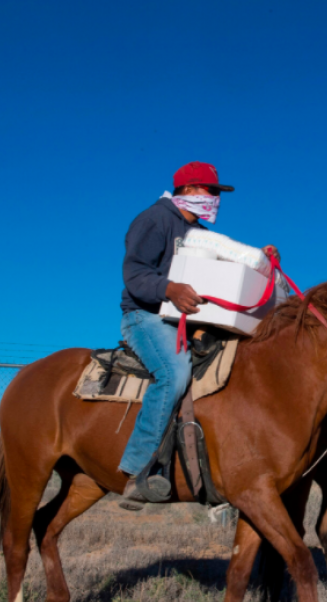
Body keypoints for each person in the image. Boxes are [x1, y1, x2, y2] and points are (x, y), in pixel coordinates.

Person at [117, 162, 233, 510]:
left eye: (217, 194)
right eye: (211, 192)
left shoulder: (196, 232)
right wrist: (168, 288)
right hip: (145, 317)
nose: (215, 200)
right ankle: (140, 470)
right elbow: (134, 275)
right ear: (189, 190)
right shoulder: (154, 220)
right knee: (174, 373)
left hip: (186, 320)